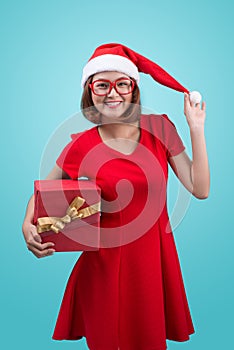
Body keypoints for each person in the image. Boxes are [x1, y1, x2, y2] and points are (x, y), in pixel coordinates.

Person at [22, 43, 210, 350]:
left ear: (134, 89)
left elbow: (200, 189)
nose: (113, 93)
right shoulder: (80, 144)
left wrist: (196, 128)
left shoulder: (159, 128)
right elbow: (42, 192)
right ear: (90, 92)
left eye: (122, 83)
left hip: (151, 264)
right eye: (102, 84)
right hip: (101, 268)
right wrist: (26, 224)